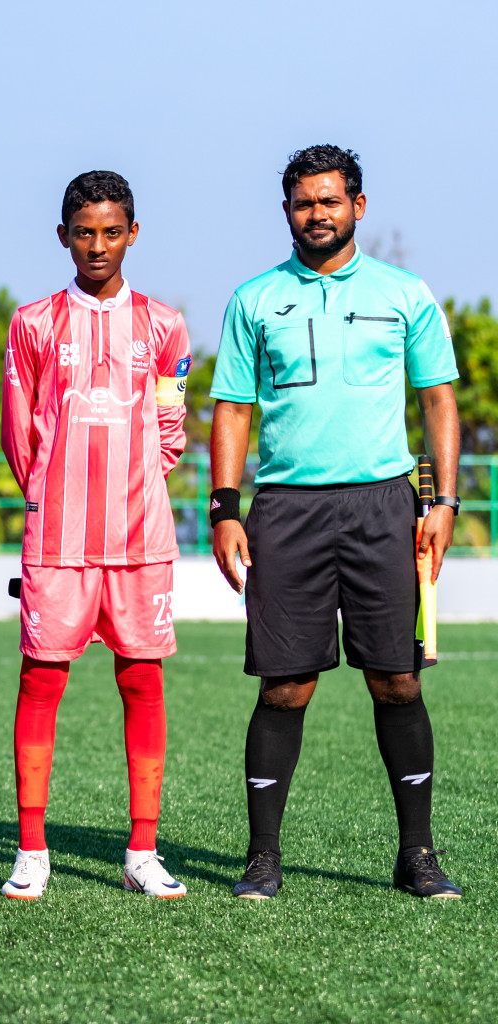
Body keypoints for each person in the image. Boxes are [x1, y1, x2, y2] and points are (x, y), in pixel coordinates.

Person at [209, 144, 462, 900]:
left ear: (357, 205)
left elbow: (439, 399)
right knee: (285, 687)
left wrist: (443, 502)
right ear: (286, 210)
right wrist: (224, 509)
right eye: (302, 202)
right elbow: (232, 409)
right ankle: (262, 857)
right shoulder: (255, 299)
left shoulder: (405, 293)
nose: (315, 214)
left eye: (329, 201)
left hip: (386, 505)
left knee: (398, 681)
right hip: (288, 509)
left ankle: (416, 854)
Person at [0, 171, 191, 900]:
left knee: (142, 680)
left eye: (112, 231)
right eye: (84, 232)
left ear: (132, 233)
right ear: (63, 237)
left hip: (142, 536)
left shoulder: (165, 324)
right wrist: (52, 490)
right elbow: (22, 435)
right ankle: (32, 850)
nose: (98, 245)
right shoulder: (35, 322)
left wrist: (138, 476)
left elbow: (170, 423)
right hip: (60, 538)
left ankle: (142, 850)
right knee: (41, 681)